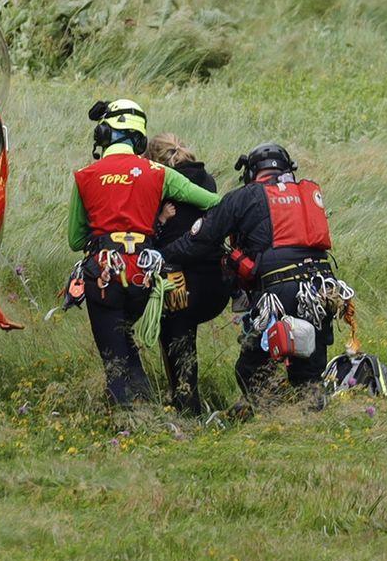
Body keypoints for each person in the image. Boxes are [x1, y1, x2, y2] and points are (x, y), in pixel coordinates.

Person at [67, 100, 220, 405]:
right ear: (139, 140)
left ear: (103, 133)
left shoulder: (85, 176)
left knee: (115, 355)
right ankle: (146, 404)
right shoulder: (158, 173)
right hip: (144, 276)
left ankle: (130, 417)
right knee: (126, 340)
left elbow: (75, 239)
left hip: (104, 274)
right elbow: (213, 202)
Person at [163, 141, 338, 401]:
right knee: (309, 375)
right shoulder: (308, 193)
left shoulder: (243, 196)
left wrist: (161, 255)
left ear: (251, 171)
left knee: (252, 368)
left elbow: (201, 239)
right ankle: (308, 422)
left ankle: (272, 420)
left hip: (278, 292)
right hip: (322, 289)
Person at [145, 133, 230, 415]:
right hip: (216, 282)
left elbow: (151, 235)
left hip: (177, 278)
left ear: (153, 159)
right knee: (184, 333)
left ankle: (185, 404)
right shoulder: (207, 180)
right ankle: (191, 401)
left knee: (177, 338)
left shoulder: (158, 182)